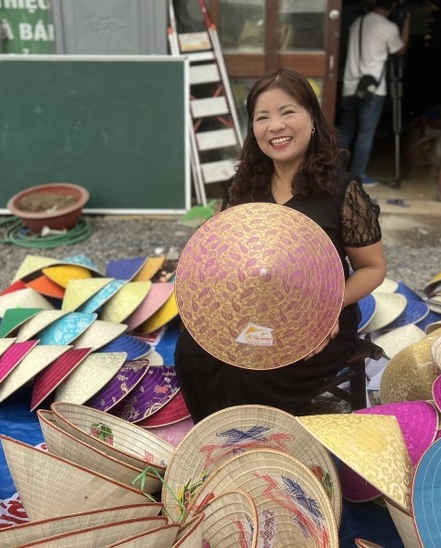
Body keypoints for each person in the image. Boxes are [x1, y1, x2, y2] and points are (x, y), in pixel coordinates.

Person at [174, 67, 387, 422]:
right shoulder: (243, 187)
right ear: (254, 129)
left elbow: (373, 268)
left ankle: (260, 443)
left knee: (251, 370)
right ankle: (217, 435)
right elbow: (225, 260)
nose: (275, 126)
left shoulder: (341, 190)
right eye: (263, 117)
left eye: (288, 112)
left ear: (313, 120)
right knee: (193, 350)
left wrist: (327, 309)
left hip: (318, 318)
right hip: (252, 310)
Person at [338, 0, 411, 186]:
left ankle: (335, 173)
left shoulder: (357, 23)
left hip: (350, 85)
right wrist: (407, 22)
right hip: (372, 89)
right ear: (392, 6)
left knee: (346, 130)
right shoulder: (388, 27)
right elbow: (400, 50)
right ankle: (358, 175)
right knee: (365, 133)